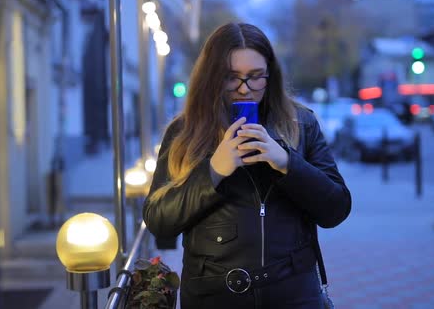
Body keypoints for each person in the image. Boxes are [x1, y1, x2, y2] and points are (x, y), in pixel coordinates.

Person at [143, 22, 352, 309]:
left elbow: (336, 209)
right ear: (212, 77)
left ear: (270, 76)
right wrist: (213, 171)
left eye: (255, 77)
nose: (245, 90)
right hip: (214, 297)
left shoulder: (301, 123)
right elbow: (158, 221)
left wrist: (287, 163)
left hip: (294, 294)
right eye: (232, 78)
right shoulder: (185, 132)